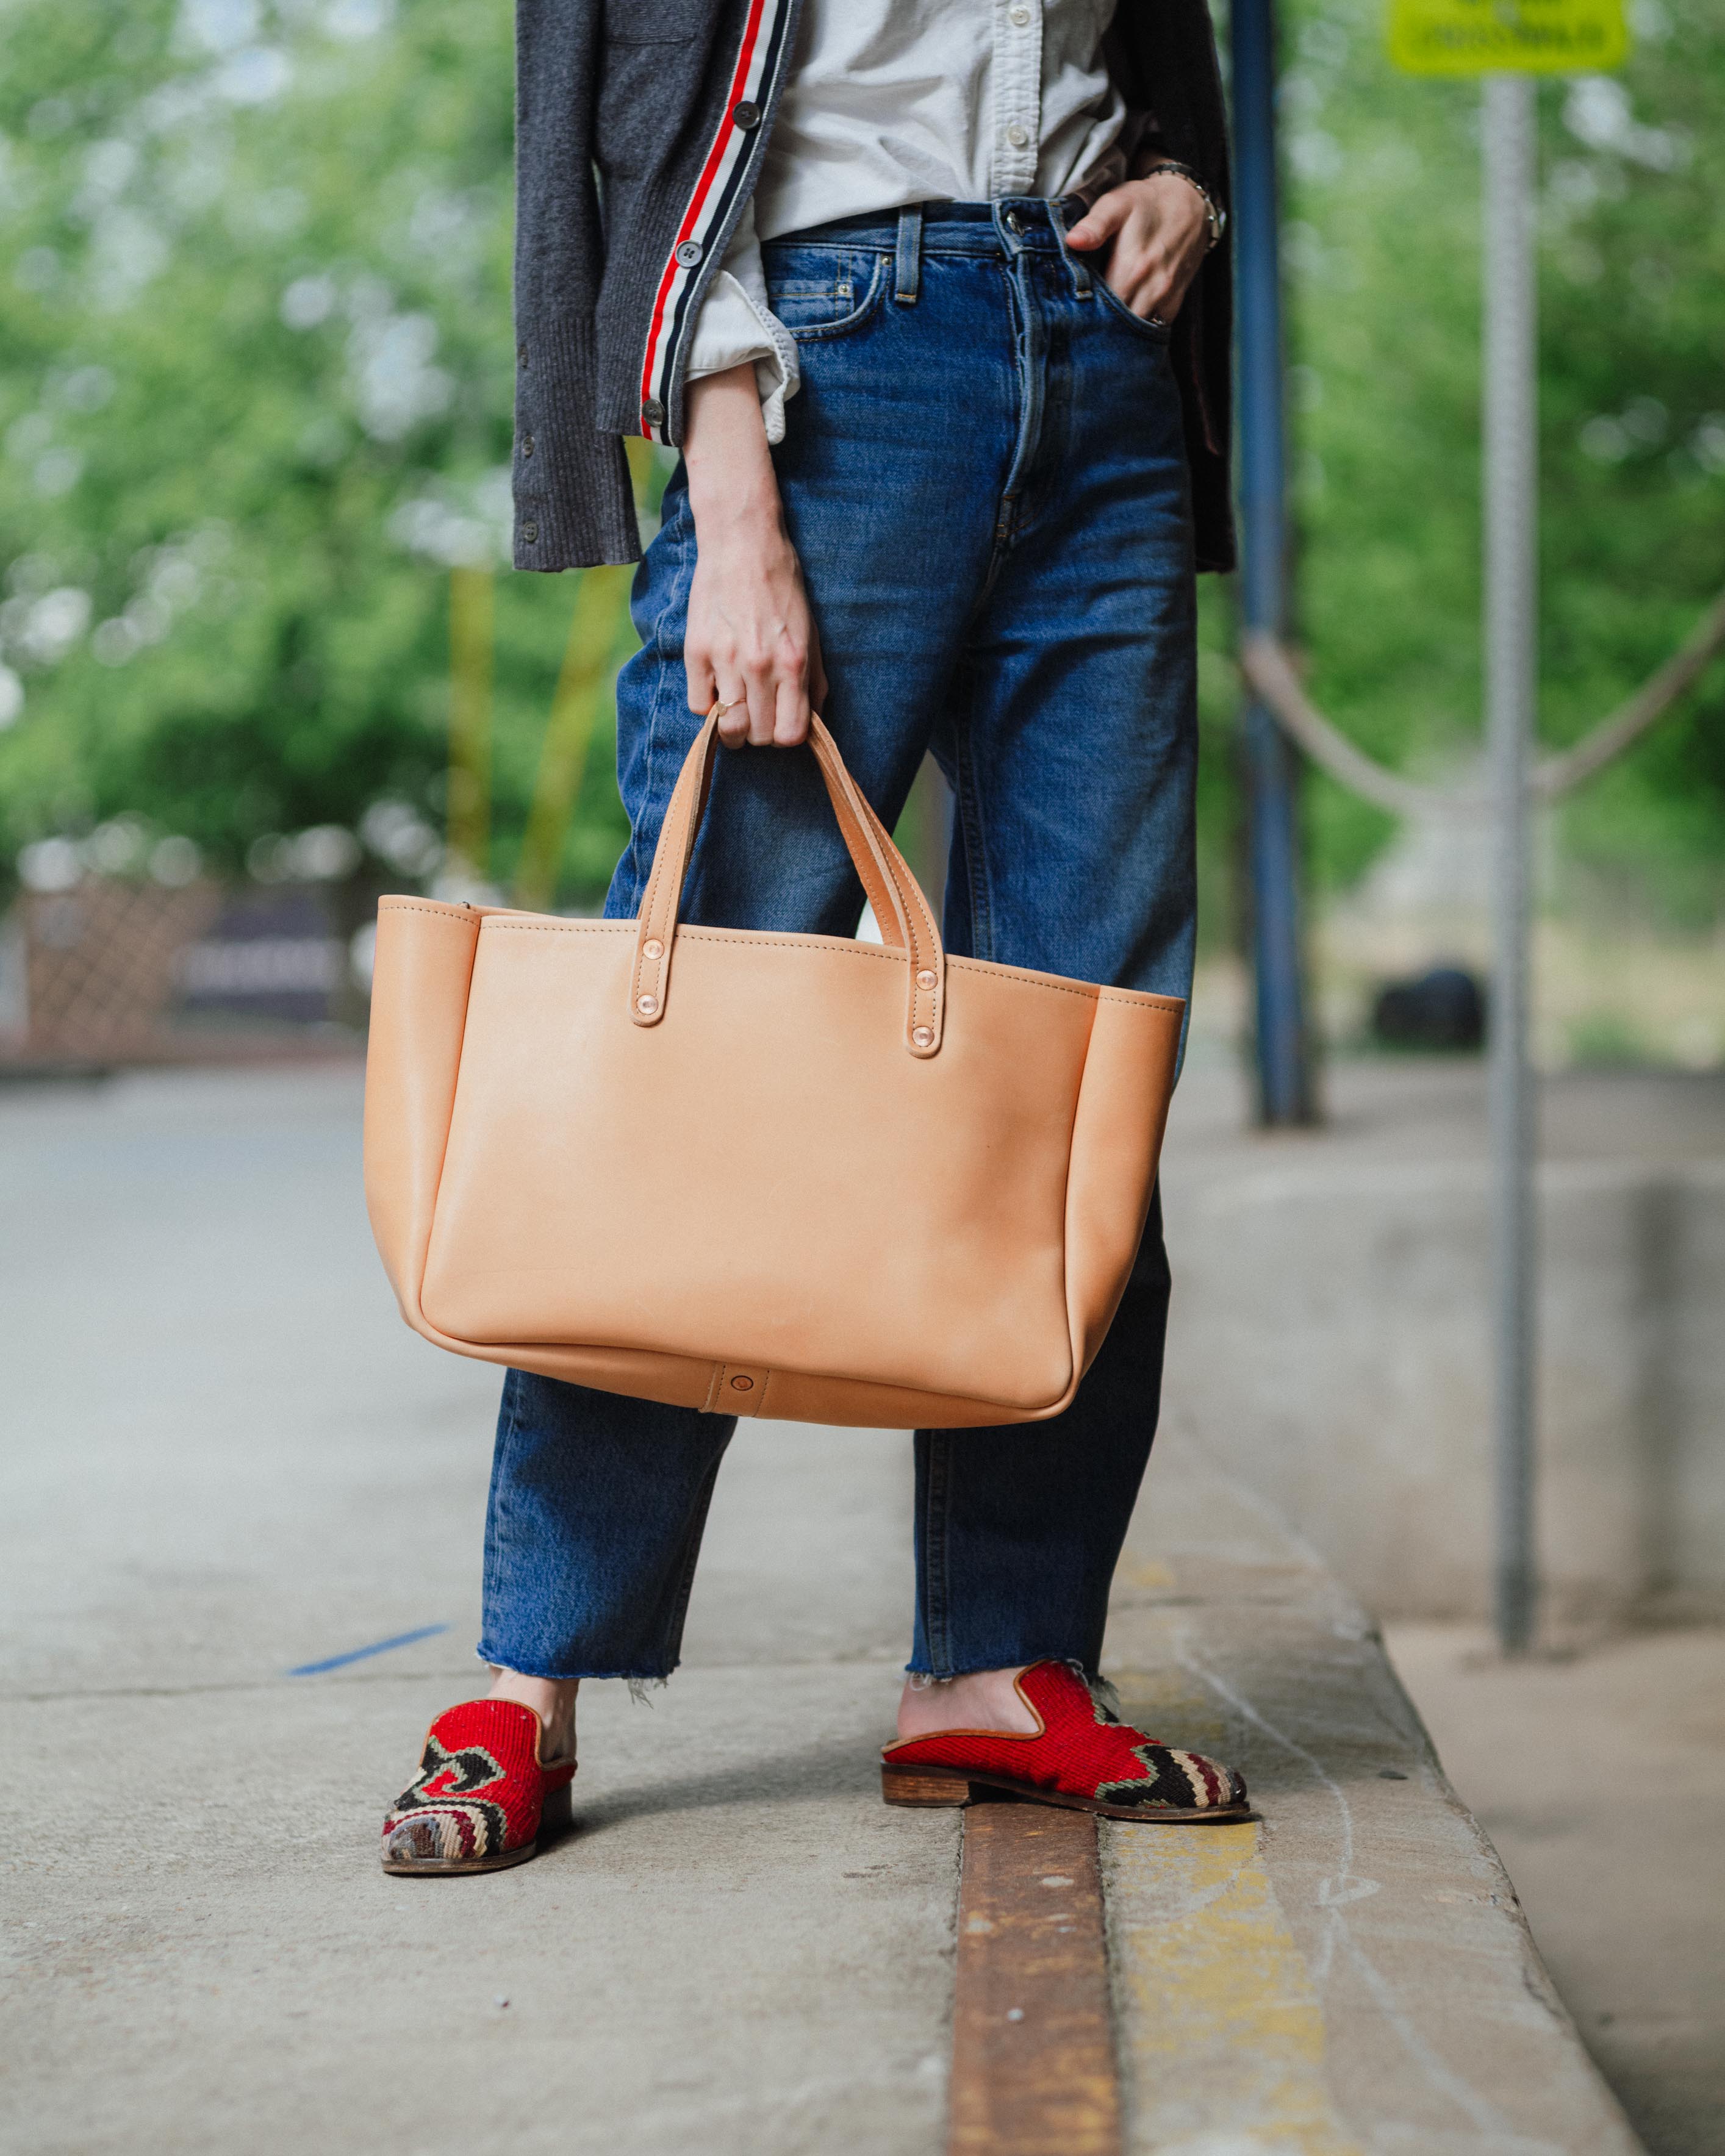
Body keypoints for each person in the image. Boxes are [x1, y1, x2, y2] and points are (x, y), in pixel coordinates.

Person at [382, 0, 1249, 1875]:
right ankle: (530, 1678)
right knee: (680, 1056)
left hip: (1105, 357)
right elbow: (633, 114)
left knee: (1081, 1063)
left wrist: (1180, 181)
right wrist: (730, 497)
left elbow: (1143, 62)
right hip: (831, 367)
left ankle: (1000, 1669)